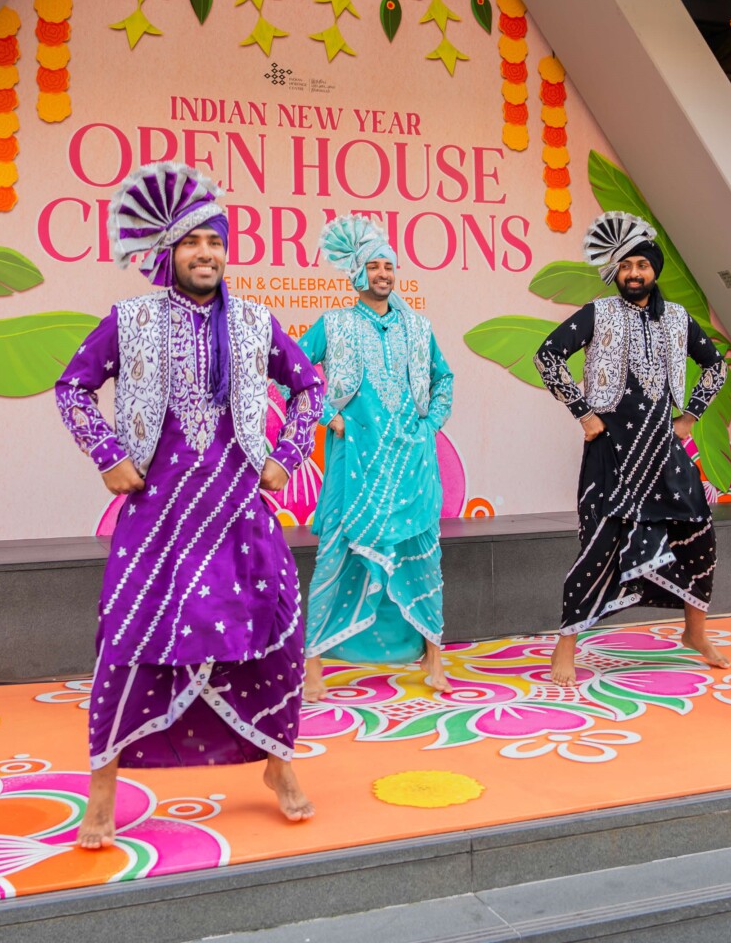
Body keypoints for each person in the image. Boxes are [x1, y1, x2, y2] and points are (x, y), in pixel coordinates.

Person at [55, 162, 322, 847]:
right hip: (159, 516)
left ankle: (279, 765)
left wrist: (284, 457)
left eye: (216, 242)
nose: (206, 254)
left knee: (272, 635)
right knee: (130, 642)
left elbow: (308, 388)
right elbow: (72, 388)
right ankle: (103, 788)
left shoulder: (257, 322)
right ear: (168, 253)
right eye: (192, 243)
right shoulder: (132, 319)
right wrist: (107, 454)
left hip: (237, 511)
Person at [534, 211, 730, 686]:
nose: (634, 274)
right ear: (616, 273)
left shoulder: (679, 319)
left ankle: (694, 632)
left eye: (641, 265)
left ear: (654, 270)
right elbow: (548, 355)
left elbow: (715, 366)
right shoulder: (600, 314)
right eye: (625, 267)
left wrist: (688, 419)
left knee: (697, 533)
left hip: (663, 449)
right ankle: (567, 644)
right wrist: (583, 412)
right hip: (612, 451)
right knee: (599, 545)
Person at [300, 215, 454, 700]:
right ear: (357, 274)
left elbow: (443, 378)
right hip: (357, 469)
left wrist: (430, 425)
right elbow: (291, 373)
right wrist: (328, 416)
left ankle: (435, 660)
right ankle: (312, 669)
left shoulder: (419, 327)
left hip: (413, 467)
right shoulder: (335, 325)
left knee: (423, 561)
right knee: (335, 559)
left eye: (390, 266)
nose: (384, 274)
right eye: (375, 266)